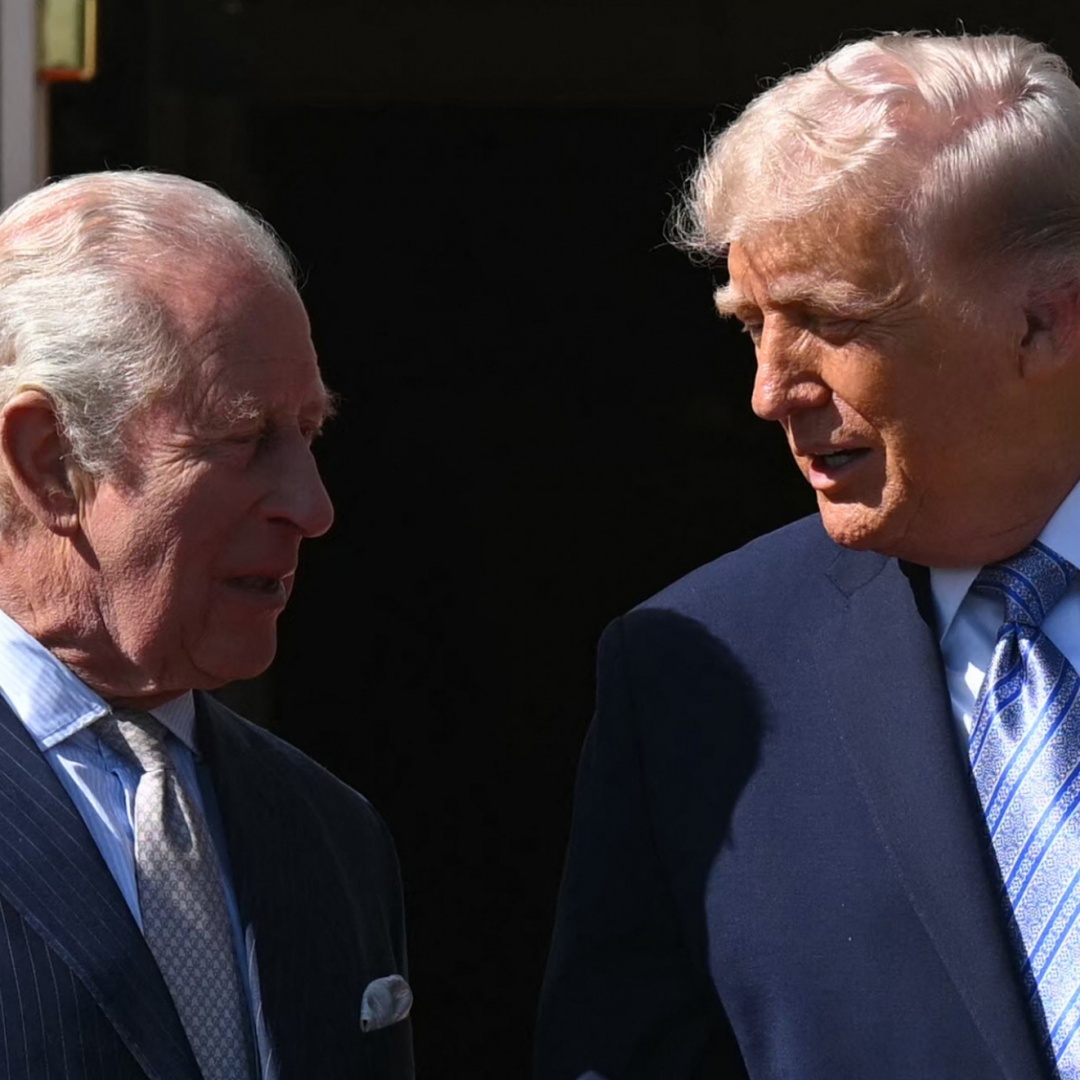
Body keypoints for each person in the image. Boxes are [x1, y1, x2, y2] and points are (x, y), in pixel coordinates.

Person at [536, 31, 1080, 1080]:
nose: (769, 392)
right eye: (752, 325)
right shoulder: (695, 675)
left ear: (1043, 323)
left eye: (830, 319)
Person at [0, 171, 412, 1079]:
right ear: (51, 461)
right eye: (244, 437)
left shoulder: (331, 832)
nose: (313, 507)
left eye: (309, 433)